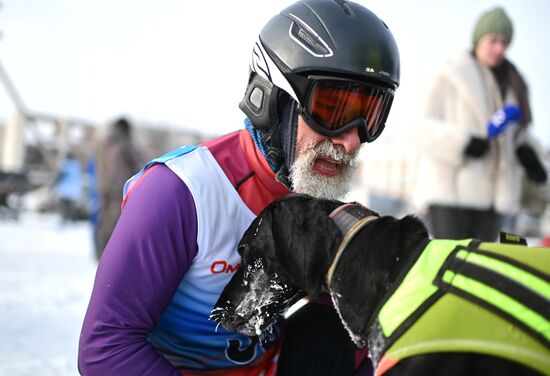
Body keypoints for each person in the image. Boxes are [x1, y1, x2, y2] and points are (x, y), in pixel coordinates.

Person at [78, 1, 400, 375]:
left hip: (271, 363)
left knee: (376, 322)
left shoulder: (313, 194)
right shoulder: (181, 192)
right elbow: (106, 347)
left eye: (371, 116)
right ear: (270, 98)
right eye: (333, 110)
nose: (352, 141)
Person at [411, 6, 547, 242]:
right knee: (451, 266)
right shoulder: (448, 74)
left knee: (482, 269)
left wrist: (528, 153)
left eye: (505, 43)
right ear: (478, 39)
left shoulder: (513, 83)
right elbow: (418, 126)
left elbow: (517, 132)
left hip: (493, 201)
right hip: (450, 197)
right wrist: (463, 144)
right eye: (493, 40)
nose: (499, 49)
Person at [94, 116, 144, 260]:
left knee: (104, 220)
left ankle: (101, 253)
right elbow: (140, 163)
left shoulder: (106, 143)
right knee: (117, 222)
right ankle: (113, 255)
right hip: (120, 189)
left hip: (104, 187)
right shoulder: (125, 142)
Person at [54, 151, 83, 224]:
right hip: (74, 190)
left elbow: (60, 176)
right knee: (72, 207)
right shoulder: (77, 166)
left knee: (64, 206)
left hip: (65, 189)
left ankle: (64, 219)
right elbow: (78, 178)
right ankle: (73, 220)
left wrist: (54, 184)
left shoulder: (64, 165)